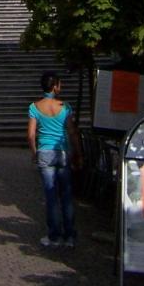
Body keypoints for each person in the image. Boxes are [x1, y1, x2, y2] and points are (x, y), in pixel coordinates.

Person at [27, 71, 83, 248]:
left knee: (51, 196)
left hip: (44, 151)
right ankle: (70, 236)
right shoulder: (65, 107)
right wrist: (78, 152)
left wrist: (34, 152)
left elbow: (30, 134)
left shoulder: (35, 107)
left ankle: (54, 236)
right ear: (55, 86)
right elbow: (72, 132)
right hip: (62, 152)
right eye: (60, 84)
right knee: (66, 195)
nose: (61, 86)